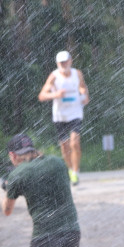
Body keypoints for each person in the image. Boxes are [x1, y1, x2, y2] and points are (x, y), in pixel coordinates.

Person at [38, 50, 89, 185]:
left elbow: (83, 88)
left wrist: (84, 96)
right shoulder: (54, 76)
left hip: (75, 113)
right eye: (61, 62)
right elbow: (42, 95)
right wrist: (55, 95)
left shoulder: (77, 74)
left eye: (66, 61)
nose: (64, 64)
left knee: (74, 143)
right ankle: (70, 169)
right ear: (57, 63)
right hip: (60, 116)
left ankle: (76, 172)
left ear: (70, 61)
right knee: (65, 146)